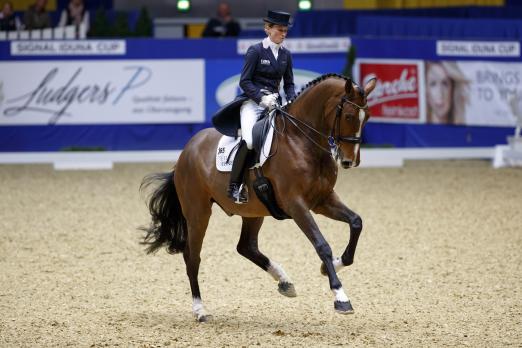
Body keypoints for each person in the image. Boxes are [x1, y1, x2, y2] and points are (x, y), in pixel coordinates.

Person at [211, 10, 296, 204]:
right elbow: (245, 81)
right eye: (280, 30)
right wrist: (260, 98)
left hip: (275, 104)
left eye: (285, 31)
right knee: (249, 140)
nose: (283, 34)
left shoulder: (286, 55)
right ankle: (234, 186)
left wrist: (291, 99)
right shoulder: (256, 51)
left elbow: (289, 83)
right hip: (252, 104)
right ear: (268, 29)